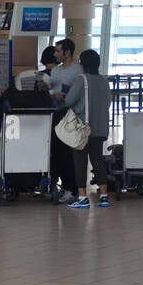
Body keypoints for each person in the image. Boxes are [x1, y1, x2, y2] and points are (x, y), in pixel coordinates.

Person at [61, 50, 112, 208]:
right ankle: (104, 196)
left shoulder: (81, 80)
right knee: (98, 160)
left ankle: (82, 197)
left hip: (83, 127)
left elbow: (69, 101)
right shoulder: (104, 81)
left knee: (80, 162)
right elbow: (108, 102)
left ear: (83, 64)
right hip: (100, 127)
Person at [46, 38, 82, 203]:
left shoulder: (77, 71)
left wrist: (64, 96)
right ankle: (64, 185)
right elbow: (53, 91)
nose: (55, 54)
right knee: (57, 152)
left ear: (67, 53)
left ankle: (72, 188)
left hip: (71, 116)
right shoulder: (55, 72)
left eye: (58, 51)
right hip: (56, 114)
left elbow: (75, 92)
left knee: (69, 153)